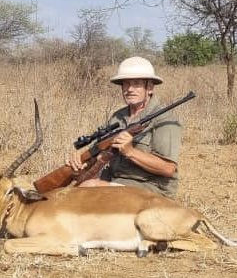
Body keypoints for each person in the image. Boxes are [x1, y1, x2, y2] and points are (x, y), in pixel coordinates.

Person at [69, 56, 181, 198]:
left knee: (88, 188)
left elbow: (168, 169)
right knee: (71, 190)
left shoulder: (166, 120)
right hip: (116, 180)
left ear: (150, 88)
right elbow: (101, 151)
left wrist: (129, 151)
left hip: (151, 188)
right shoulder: (118, 117)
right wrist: (82, 159)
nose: (129, 89)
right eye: (125, 84)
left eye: (136, 84)